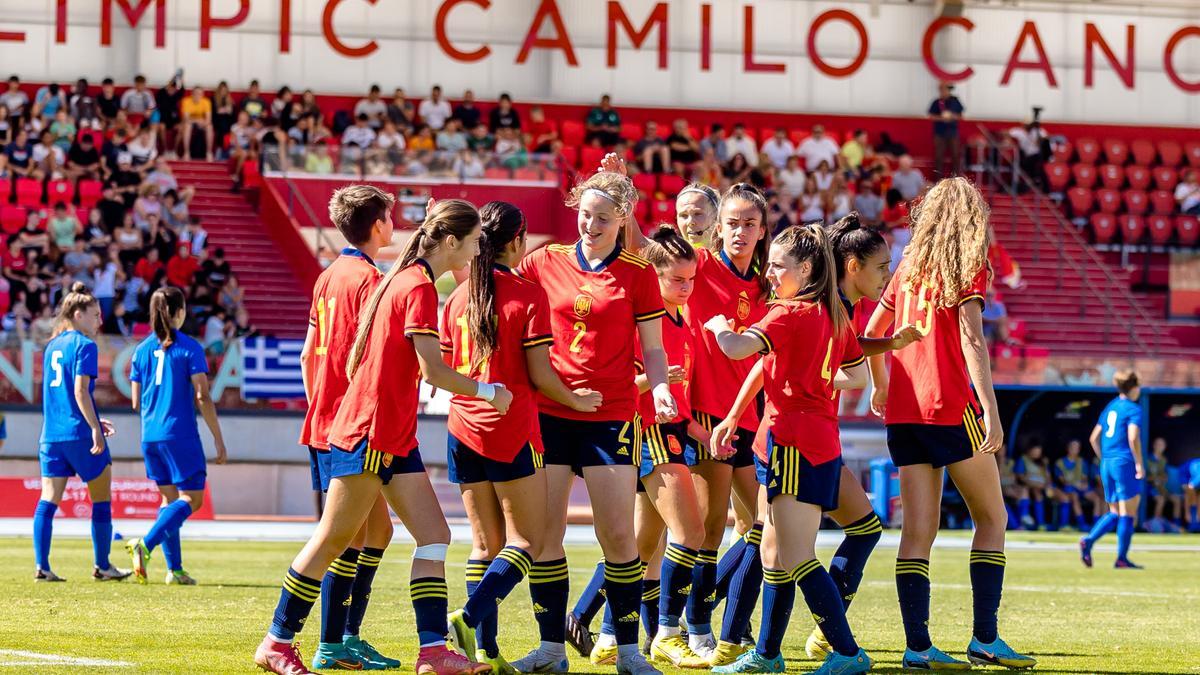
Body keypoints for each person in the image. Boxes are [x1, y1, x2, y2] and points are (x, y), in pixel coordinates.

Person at [254, 199, 503, 675]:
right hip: (370, 432)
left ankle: (432, 653)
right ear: (451, 242)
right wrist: (490, 391)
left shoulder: (403, 278)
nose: (476, 253)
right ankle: (277, 641)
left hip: (390, 434)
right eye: (473, 243)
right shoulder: (416, 286)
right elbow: (433, 370)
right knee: (333, 539)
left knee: (434, 535)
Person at [509, 171, 676, 675]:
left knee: (619, 537)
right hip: (550, 412)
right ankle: (551, 650)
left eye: (603, 217)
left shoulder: (639, 272)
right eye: (585, 214)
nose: (591, 224)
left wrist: (662, 385)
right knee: (544, 537)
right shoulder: (544, 260)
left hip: (611, 416)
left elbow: (653, 346)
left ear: (623, 218)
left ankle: (626, 652)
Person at [865, 177, 1034, 669]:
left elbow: (873, 334)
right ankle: (984, 638)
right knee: (993, 519)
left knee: (918, 532)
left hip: (904, 410)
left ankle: (917, 646)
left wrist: (879, 384)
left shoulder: (906, 269)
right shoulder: (966, 267)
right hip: (950, 406)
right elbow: (972, 342)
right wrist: (991, 410)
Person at [441, 201, 602, 673]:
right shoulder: (527, 294)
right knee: (528, 542)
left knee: (483, 546)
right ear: (517, 240)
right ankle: (469, 618)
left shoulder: (458, 296)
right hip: (510, 429)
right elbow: (540, 375)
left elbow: (450, 370)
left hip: (461, 428)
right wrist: (576, 400)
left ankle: (486, 654)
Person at [704, 224, 873, 675]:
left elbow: (737, 349)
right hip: (796, 440)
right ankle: (767, 654)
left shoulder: (789, 313)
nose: (770, 274)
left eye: (779, 266)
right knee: (773, 556)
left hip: (794, 443)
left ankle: (847, 651)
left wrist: (721, 326)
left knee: (796, 557)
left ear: (807, 267)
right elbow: (856, 377)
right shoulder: (831, 313)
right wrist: (810, 383)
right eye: (769, 264)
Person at [582, 227, 707, 668]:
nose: (686, 287)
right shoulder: (643, 323)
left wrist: (699, 430)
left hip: (672, 432)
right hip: (647, 432)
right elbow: (625, 385)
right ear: (653, 277)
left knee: (640, 546)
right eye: (677, 279)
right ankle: (668, 634)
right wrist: (655, 383)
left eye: (690, 278)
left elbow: (678, 394)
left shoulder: (681, 321)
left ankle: (609, 633)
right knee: (691, 533)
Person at [295, 185, 403, 671]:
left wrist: (320, 404)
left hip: (324, 419)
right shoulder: (370, 279)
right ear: (377, 224)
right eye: (390, 215)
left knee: (376, 530)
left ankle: (348, 635)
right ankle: (329, 642)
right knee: (347, 538)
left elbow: (306, 354)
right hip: (353, 425)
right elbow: (373, 358)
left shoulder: (327, 277)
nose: (393, 222)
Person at [125, 287, 228, 585]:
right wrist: (218, 439)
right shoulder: (189, 347)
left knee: (169, 500)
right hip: (179, 434)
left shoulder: (141, 350)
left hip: (150, 435)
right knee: (192, 500)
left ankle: (175, 569)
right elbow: (202, 396)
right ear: (178, 312)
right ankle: (145, 545)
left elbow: (134, 401)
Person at [33, 283, 132, 582]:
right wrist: (94, 429)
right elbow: (79, 391)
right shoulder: (85, 346)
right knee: (101, 498)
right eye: (95, 315)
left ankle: (42, 567)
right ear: (78, 314)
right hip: (78, 434)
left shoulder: (52, 345)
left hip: (51, 436)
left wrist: (94, 421)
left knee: (48, 499)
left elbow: (60, 396)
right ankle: (102, 565)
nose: (100, 321)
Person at [1080, 370, 1146, 569]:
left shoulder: (1111, 407)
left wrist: (1104, 459)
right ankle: (1121, 558)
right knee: (1128, 510)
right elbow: (1133, 437)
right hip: (1124, 462)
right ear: (1134, 388)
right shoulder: (1133, 409)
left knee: (1115, 511)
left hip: (1107, 463)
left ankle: (1089, 541)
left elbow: (1093, 438)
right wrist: (1139, 463)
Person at [1053, 439, 1097, 531]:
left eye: (1077, 448)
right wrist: (1075, 485)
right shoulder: (1060, 463)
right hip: (1068, 489)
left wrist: (1084, 484)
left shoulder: (1082, 462)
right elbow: (1063, 481)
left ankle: (1096, 524)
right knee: (1074, 497)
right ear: (1068, 448)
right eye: (1073, 447)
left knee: (1097, 498)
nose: (1075, 449)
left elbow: (1084, 478)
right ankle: (1082, 524)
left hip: (1081, 488)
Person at [927, 82, 964, 177]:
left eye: (945, 89)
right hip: (940, 133)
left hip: (953, 132)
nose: (943, 91)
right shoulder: (937, 102)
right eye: (942, 89)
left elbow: (960, 116)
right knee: (938, 156)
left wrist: (952, 117)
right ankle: (938, 179)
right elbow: (931, 116)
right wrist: (942, 118)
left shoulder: (955, 102)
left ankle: (956, 178)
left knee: (955, 155)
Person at [1013, 443, 1050, 531]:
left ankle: (1041, 523)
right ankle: (1025, 517)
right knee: (1034, 493)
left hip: (1043, 486)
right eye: (1035, 451)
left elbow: (1048, 477)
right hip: (1028, 486)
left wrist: (1046, 485)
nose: (1037, 453)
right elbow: (1020, 477)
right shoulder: (1023, 460)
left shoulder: (1044, 461)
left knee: (1043, 494)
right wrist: (1034, 484)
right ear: (1029, 450)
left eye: (1039, 451)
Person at [181, 86, 214, 160]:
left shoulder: (206, 102)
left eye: (200, 94)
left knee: (209, 126)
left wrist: (203, 123)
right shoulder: (186, 101)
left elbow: (209, 119)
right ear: (192, 94)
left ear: (202, 95)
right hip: (189, 123)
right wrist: (198, 120)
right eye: (195, 93)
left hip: (201, 123)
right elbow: (186, 119)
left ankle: (209, 152)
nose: (197, 95)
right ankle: (186, 153)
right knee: (187, 126)